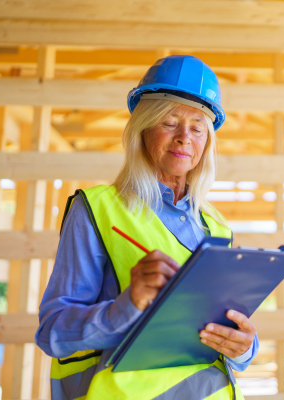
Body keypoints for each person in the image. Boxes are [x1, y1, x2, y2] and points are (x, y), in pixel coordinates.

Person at [36, 55, 258, 400]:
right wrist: (127, 306)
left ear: (207, 143)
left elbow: (221, 325)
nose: (185, 137)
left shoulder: (217, 227)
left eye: (198, 127)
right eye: (169, 122)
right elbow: (52, 332)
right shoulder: (96, 209)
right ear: (143, 128)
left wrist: (244, 347)